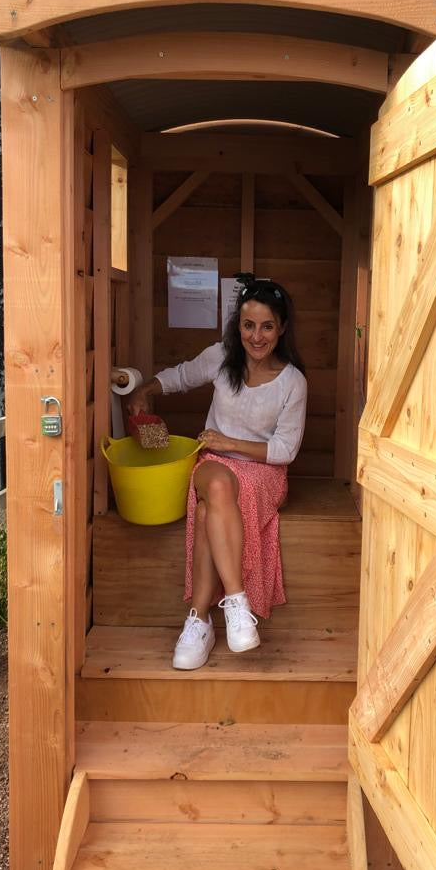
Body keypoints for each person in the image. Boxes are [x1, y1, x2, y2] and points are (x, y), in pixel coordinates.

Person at [128, 277, 307, 670]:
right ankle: (238, 604)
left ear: (282, 329)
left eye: (266, 326)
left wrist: (229, 443)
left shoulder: (293, 382)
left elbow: (284, 451)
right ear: (237, 326)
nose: (255, 336)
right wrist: (147, 390)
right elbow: (182, 375)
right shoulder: (222, 357)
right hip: (215, 465)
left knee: (210, 508)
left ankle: (200, 620)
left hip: (265, 471)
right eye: (248, 325)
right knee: (218, 482)